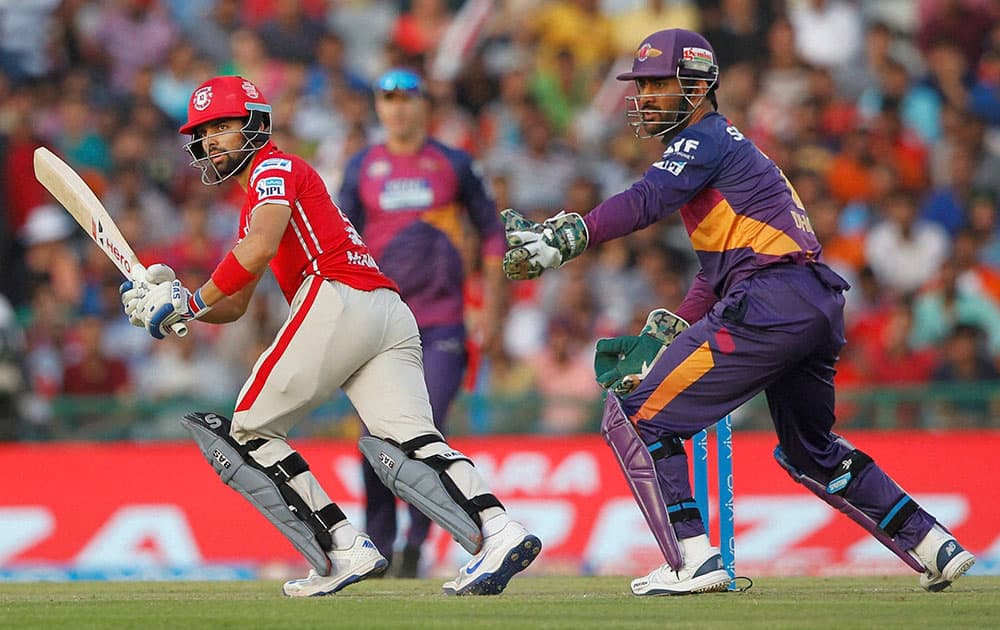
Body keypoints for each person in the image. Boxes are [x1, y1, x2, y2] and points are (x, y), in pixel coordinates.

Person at [501, 29, 975, 596]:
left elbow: (646, 200)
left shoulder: (703, 140)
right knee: (813, 453)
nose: (645, 96)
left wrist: (572, 232)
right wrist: (672, 329)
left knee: (633, 415)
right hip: (813, 302)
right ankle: (934, 545)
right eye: (642, 85)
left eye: (657, 83)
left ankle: (691, 559)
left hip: (770, 299)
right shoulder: (728, 151)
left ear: (698, 86)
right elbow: (716, 271)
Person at [121, 75, 540, 597]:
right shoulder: (256, 199)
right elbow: (235, 303)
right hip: (387, 311)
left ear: (255, 124)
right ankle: (500, 531)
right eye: (203, 133)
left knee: (250, 431)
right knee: (410, 439)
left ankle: (343, 546)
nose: (210, 142)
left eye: (222, 127)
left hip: (337, 295)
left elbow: (259, 247)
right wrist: (180, 310)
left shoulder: (273, 167)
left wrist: (190, 299)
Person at [337, 68, 507, 577]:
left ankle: (418, 543)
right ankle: (381, 548)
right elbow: (339, 242)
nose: (399, 107)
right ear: (378, 107)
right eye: (388, 98)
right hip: (381, 325)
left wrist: (493, 308)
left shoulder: (452, 163)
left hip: (441, 323)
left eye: (408, 97)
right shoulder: (362, 167)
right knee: (373, 437)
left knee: (421, 428)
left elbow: (493, 235)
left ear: (423, 105)